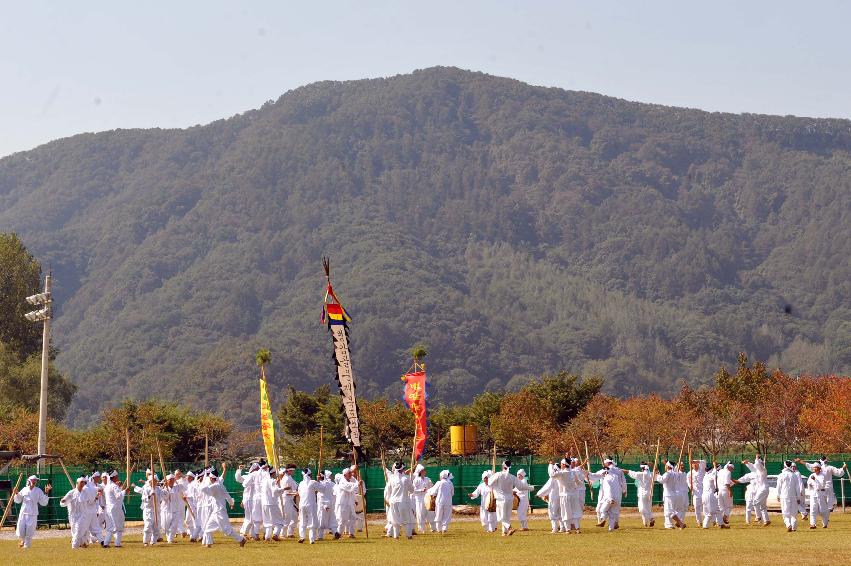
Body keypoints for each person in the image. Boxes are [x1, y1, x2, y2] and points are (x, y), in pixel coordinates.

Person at [199, 469, 247, 547]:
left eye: (209, 478)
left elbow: (203, 489)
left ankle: (241, 539)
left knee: (227, 530)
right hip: (216, 511)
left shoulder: (216, 486)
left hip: (219, 511)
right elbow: (227, 495)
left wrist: (203, 479)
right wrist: (231, 503)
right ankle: (208, 544)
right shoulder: (220, 484)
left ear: (211, 478)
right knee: (208, 528)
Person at [489, 460, 529, 536]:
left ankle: (509, 527)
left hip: (501, 499)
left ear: (503, 466)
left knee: (500, 517)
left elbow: (490, 483)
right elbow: (520, 487)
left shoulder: (498, 475)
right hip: (510, 499)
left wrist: (493, 476)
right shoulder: (512, 477)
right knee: (506, 517)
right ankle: (504, 532)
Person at [549, 458, 580, 533]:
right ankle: (577, 528)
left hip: (565, 495)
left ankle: (568, 529)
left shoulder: (562, 473)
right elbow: (578, 483)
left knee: (565, 512)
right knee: (575, 511)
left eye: (561, 464)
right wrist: (574, 488)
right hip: (574, 495)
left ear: (563, 465)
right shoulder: (573, 472)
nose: (560, 465)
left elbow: (552, 475)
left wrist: (551, 465)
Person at [385, 461, 415, 539]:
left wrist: (388, 500)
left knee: (395, 519)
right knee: (407, 519)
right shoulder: (406, 479)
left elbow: (388, 491)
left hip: (393, 501)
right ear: (402, 470)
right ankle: (409, 535)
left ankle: (396, 535)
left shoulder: (391, 479)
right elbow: (412, 490)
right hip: (403, 501)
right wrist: (410, 482)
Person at [134, 474, 164, 546]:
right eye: (152, 481)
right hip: (148, 510)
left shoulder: (159, 489)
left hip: (156, 509)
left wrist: (165, 490)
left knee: (156, 526)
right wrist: (150, 496)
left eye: (155, 481)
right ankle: (146, 541)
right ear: (149, 482)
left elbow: (163, 497)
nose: (154, 482)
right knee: (148, 525)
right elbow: (143, 499)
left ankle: (153, 541)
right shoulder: (146, 489)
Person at [60, 477, 89, 549]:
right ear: (77, 483)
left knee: (79, 529)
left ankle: (74, 546)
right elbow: (63, 502)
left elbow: (87, 503)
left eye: (84, 482)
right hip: (73, 516)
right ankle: (82, 543)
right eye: (81, 482)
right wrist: (63, 501)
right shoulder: (71, 492)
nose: (83, 484)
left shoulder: (85, 493)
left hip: (82, 515)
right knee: (75, 531)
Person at [655, 461, 686, 529]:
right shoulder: (675, 474)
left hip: (669, 495)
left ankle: (680, 523)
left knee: (670, 511)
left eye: (666, 465)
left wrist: (657, 474)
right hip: (673, 494)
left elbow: (662, 480)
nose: (665, 467)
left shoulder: (668, 474)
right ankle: (669, 525)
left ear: (668, 466)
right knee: (668, 511)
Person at [235, 463, 261, 540]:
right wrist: (239, 470)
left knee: (254, 518)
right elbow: (238, 478)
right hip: (248, 499)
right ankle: (243, 533)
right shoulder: (247, 476)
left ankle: (252, 535)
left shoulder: (260, 476)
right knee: (249, 518)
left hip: (255, 499)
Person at [103, 470, 128, 547]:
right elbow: (118, 497)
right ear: (114, 477)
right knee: (118, 526)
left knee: (110, 527)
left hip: (108, 509)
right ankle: (117, 544)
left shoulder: (107, 486)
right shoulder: (114, 486)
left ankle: (106, 543)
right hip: (115, 509)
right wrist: (124, 491)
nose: (118, 478)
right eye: (117, 476)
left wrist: (122, 491)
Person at [742, 456, 770, 526]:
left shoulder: (763, 469)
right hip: (762, 489)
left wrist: (757, 458)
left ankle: (758, 517)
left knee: (755, 502)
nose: (756, 465)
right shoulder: (757, 471)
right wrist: (747, 463)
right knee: (763, 506)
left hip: (763, 489)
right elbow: (753, 467)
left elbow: (757, 465)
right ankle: (767, 520)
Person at [297, 468, 322, 544]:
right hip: (311, 505)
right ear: (310, 475)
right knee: (312, 521)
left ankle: (302, 536)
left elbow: (300, 493)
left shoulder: (301, 483)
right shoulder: (313, 482)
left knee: (302, 521)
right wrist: (319, 481)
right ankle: (311, 539)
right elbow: (322, 489)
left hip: (302, 504)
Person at [626, 462, 655, 527]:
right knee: (648, 508)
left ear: (642, 468)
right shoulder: (651, 474)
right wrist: (655, 469)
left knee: (641, 508)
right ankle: (646, 522)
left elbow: (630, 472)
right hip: (650, 493)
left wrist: (620, 469)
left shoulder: (641, 474)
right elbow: (657, 474)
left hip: (642, 494)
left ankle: (650, 518)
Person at [776, 460, 801, 532]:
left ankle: (788, 524)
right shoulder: (794, 475)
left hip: (784, 496)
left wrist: (778, 495)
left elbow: (778, 486)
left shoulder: (781, 475)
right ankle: (794, 527)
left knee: (785, 512)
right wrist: (798, 497)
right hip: (793, 496)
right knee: (794, 513)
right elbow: (797, 487)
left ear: (784, 466)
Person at [334, 466, 360, 538]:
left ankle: (351, 533)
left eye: (350, 473)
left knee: (353, 518)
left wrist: (355, 500)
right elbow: (349, 487)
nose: (351, 475)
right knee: (342, 520)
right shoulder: (342, 482)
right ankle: (338, 534)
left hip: (349, 504)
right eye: (349, 473)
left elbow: (353, 491)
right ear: (345, 475)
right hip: (343, 504)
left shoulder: (350, 480)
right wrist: (357, 484)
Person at [535, 467, 562, 533]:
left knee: (552, 512)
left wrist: (539, 494)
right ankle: (562, 528)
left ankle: (555, 528)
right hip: (561, 497)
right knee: (560, 513)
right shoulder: (562, 476)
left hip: (554, 497)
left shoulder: (553, 478)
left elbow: (547, 487)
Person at [412, 464, 436, 533]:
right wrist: (420, 490)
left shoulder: (428, 479)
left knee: (431, 513)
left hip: (428, 499)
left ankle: (433, 528)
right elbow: (413, 490)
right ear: (420, 471)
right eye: (423, 470)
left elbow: (432, 487)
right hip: (419, 499)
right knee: (420, 514)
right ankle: (421, 529)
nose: (425, 471)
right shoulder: (416, 480)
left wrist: (432, 486)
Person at [701, 463, 726, 529]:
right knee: (710, 512)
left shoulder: (705, 476)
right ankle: (705, 525)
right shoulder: (709, 475)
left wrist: (715, 489)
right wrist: (715, 467)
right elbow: (715, 475)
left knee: (717, 510)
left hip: (706, 495)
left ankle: (721, 524)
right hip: (709, 496)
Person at [317, 470, 339, 540]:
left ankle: (320, 536)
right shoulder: (332, 484)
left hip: (323, 504)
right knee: (331, 520)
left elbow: (321, 495)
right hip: (331, 504)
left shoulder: (322, 484)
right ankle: (335, 532)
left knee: (321, 520)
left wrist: (317, 482)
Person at [281, 464, 299, 538]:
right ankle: (282, 534)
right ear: (290, 470)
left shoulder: (289, 477)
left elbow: (295, 486)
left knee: (295, 517)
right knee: (287, 518)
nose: (293, 472)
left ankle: (290, 533)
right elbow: (287, 492)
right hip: (286, 499)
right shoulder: (286, 479)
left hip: (291, 500)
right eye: (293, 470)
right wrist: (296, 493)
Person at [688, 459, 706, 527]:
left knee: (706, 507)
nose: (695, 465)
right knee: (697, 508)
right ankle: (699, 521)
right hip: (695, 493)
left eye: (696, 463)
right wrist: (690, 486)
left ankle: (711, 521)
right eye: (693, 464)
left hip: (704, 491)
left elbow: (704, 462)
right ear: (691, 465)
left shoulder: (702, 470)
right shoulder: (689, 473)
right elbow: (688, 482)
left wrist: (696, 460)